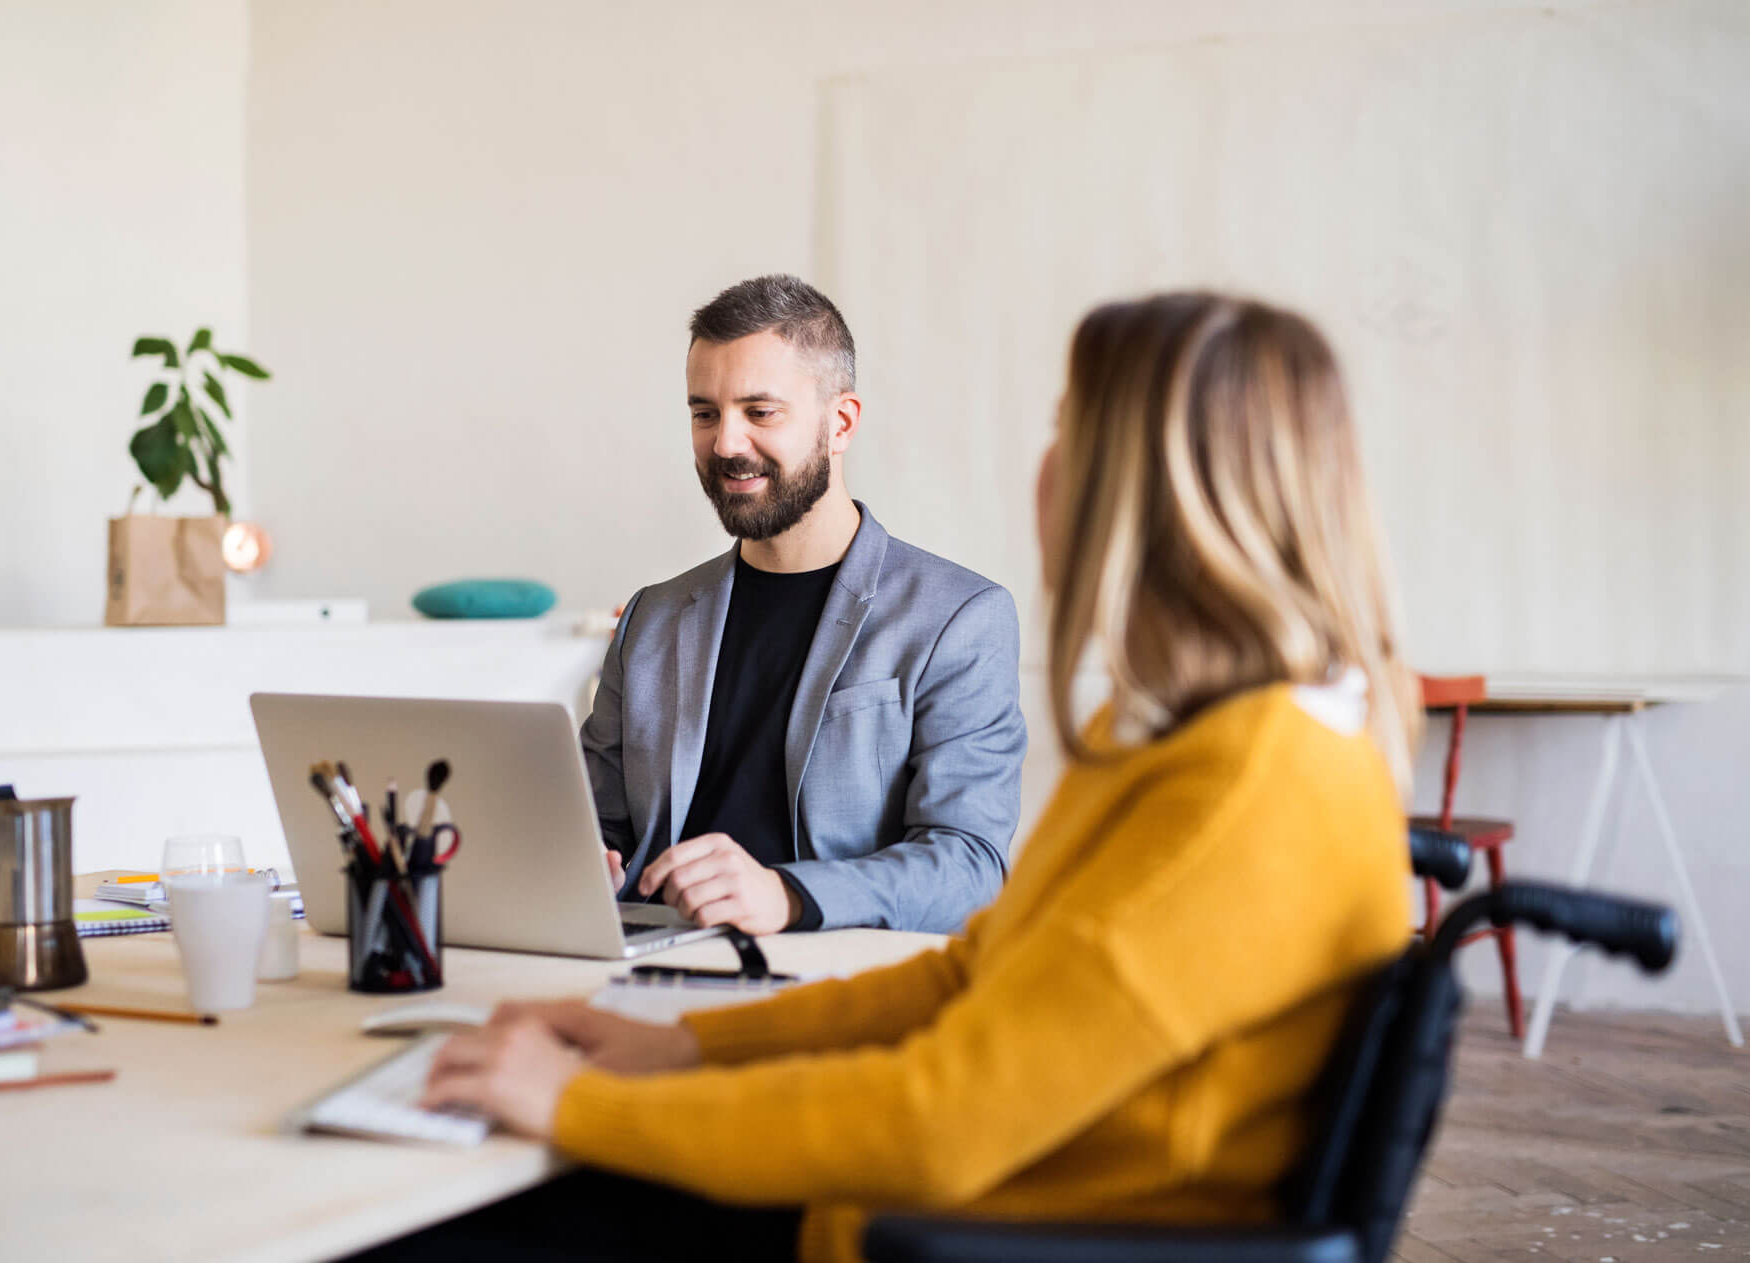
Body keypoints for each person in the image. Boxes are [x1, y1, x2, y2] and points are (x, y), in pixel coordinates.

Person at [401, 292, 1422, 1263]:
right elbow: (972, 977)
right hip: (931, 1199)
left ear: (1159, 485)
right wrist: (682, 1050)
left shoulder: (1246, 790)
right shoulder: (1187, 741)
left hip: (953, 1235)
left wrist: (581, 1106)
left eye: (1073, 429)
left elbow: (942, 1118)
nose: (1046, 465)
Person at [584, 274, 1026, 935]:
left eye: (760, 412)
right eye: (705, 413)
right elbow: (594, 821)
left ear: (840, 421)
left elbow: (969, 867)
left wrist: (785, 893)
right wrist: (580, 857)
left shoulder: (960, 619)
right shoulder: (651, 616)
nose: (726, 443)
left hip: (830, 987)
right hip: (648, 965)